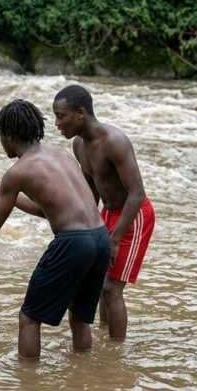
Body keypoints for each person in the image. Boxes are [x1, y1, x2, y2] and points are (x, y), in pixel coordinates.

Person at [0, 99, 110, 360]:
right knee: (79, 318)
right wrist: (4, 194)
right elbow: (48, 209)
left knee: (29, 318)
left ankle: (29, 388)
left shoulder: (18, 172)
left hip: (73, 243)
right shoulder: (61, 154)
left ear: (9, 136)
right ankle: (85, 376)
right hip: (100, 238)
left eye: (1, 136)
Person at [52, 84, 155, 340]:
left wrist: (115, 239)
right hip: (107, 213)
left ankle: (116, 353)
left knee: (111, 289)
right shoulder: (79, 145)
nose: (57, 123)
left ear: (81, 114)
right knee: (98, 283)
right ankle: (104, 334)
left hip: (134, 214)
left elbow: (137, 193)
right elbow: (91, 192)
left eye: (61, 116)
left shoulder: (114, 142)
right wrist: (87, 227)